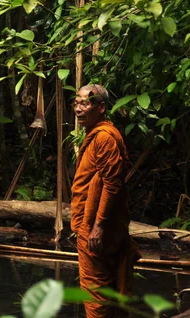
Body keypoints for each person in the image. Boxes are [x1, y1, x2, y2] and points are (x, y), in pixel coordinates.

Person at [71, 84, 141, 318]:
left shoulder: (105, 138)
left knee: (96, 293)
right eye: (76, 102)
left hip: (98, 227)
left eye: (85, 103)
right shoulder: (95, 134)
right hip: (91, 225)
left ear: (101, 107)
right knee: (107, 290)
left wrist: (98, 227)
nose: (79, 109)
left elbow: (112, 184)